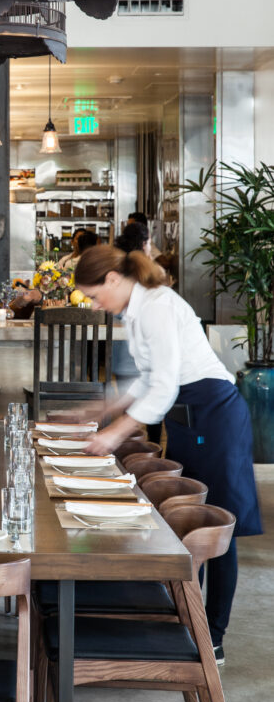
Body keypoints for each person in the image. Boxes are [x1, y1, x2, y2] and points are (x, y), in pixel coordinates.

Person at [73, 245, 263, 662]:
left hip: (213, 415)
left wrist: (113, 435)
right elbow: (149, 380)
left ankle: (212, 636)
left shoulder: (157, 305)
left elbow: (163, 386)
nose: (94, 305)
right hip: (188, 417)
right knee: (183, 519)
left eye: (92, 294)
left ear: (112, 279)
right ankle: (185, 618)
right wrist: (103, 409)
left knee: (214, 526)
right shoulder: (139, 310)